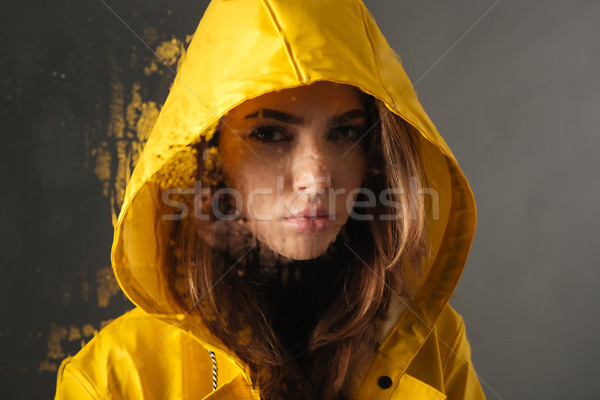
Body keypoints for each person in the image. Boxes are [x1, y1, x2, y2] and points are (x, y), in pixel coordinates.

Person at [55, 0, 486, 399]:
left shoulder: (435, 341)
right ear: (208, 157)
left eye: (346, 132)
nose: (316, 179)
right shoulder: (113, 378)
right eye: (269, 134)